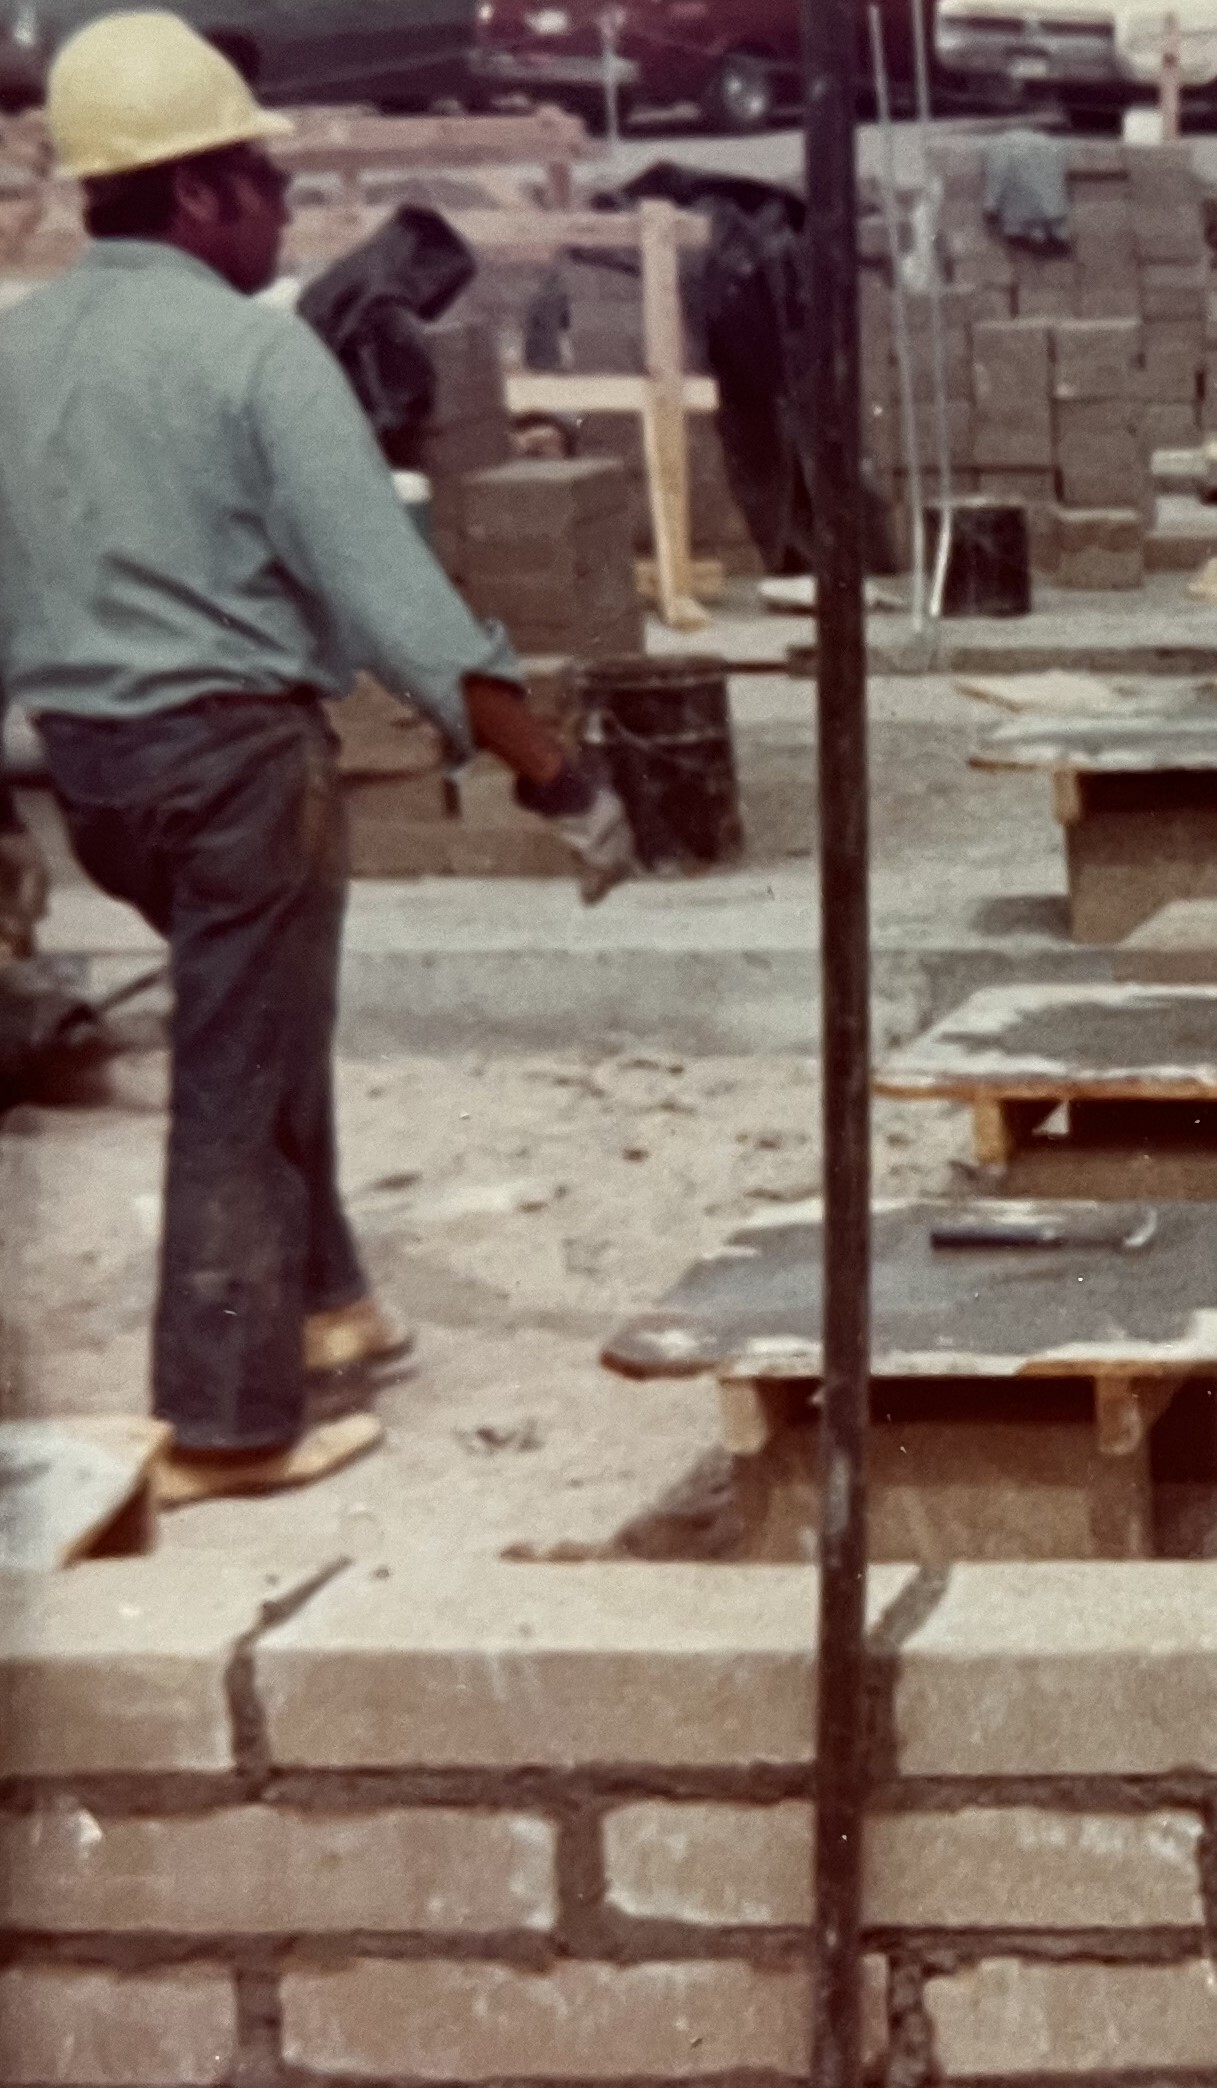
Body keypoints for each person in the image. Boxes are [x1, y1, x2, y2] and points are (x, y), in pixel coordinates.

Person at [0, 12, 638, 1506]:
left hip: (91, 779)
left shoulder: (12, 350)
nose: (289, 213)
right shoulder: (256, 356)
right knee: (234, 1069)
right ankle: (229, 1422)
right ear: (202, 194)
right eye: (267, 185)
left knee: (256, 1012)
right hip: (234, 769)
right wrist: (558, 774)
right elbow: (402, 609)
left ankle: (332, 1293)